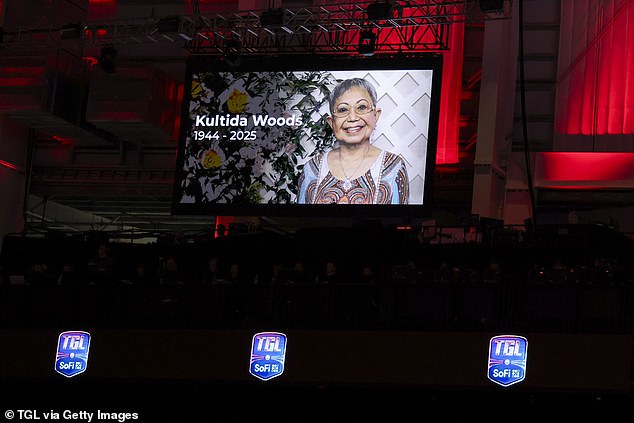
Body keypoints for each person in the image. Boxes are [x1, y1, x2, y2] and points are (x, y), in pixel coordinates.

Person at [298, 77, 409, 204]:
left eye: (361, 107)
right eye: (343, 110)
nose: (352, 117)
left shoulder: (393, 167)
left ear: (376, 115)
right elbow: (302, 221)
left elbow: (399, 221)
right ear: (331, 122)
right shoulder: (312, 168)